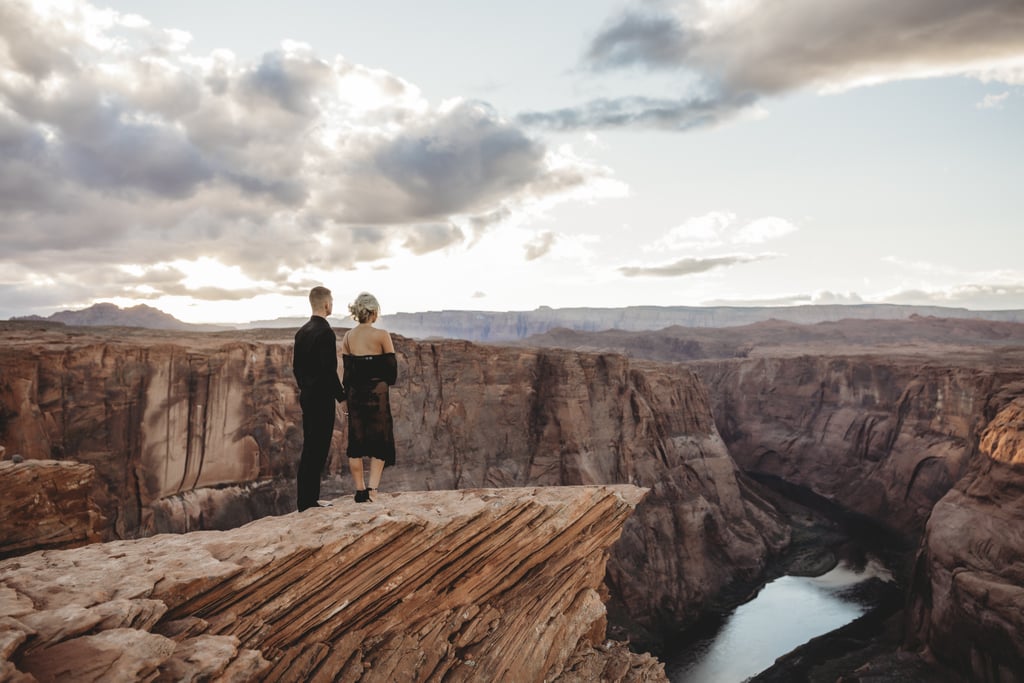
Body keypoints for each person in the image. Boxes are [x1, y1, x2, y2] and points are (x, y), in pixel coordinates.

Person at [292, 286, 346, 511]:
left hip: (307, 397)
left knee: (310, 449)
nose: (332, 304)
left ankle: (305, 501)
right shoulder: (325, 332)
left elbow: (296, 368)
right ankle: (310, 502)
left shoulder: (302, 331)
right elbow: (328, 370)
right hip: (321, 400)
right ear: (326, 304)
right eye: (331, 301)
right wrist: (341, 397)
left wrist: (306, 388)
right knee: (318, 449)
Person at [341, 292, 397, 503]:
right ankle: (373, 490)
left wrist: (347, 399)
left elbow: (347, 373)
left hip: (355, 396)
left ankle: (359, 490)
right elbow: (392, 372)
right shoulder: (382, 335)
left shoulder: (348, 337)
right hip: (377, 395)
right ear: (373, 312)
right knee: (379, 442)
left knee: (356, 442)